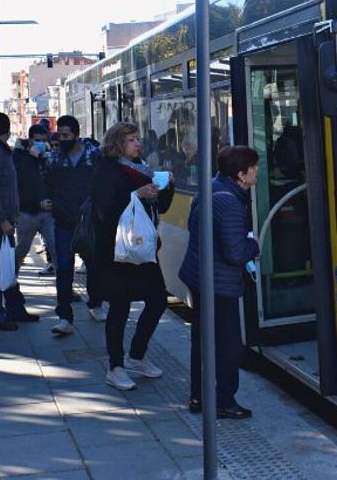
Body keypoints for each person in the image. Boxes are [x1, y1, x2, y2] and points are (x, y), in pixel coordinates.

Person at [178, 145, 260, 419]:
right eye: (253, 167)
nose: (256, 171)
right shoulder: (231, 203)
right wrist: (254, 246)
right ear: (241, 174)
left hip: (199, 276)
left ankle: (198, 396)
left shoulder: (211, 187)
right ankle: (224, 400)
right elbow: (236, 253)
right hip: (219, 283)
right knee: (227, 344)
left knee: (202, 339)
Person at [91, 122, 174, 390]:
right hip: (118, 250)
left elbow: (160, 206)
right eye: (131, 140)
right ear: (117, 144)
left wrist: (166, 187)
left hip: (143, 248)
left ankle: (136, 355)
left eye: (138, 139)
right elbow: (104, 211)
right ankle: (115, 367)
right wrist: (135, 195)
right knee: (119, 306)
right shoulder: (106, 169)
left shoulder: (143, 169)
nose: (138, 143)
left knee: (158, 300)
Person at [0, 112, 37, 330]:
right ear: (8, 128)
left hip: (4, 221)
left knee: (7, 266)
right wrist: (2, 220)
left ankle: (15, 309)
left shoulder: (1, 151)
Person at [45, 115, 102, 335]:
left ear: (77, 134)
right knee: (64, 268)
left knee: (94, 266)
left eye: (66, 135)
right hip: (63, 221)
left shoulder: (93, 156)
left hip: (88, 222)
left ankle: (95, 303)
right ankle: (64, 317)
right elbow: (46, 183)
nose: (62, 139)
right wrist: (45, 199)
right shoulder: (54, 159)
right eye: (60, 135)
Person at [13, 124, 59, 273]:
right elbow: (19, 183)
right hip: (27, 213)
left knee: (57, 250)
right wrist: (32, 156)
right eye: (37, 140)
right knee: (21, 250)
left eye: (44, 141)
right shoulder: (20, 156)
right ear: (30, 140)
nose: (41, 144)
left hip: (48, 213)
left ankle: (66, 287)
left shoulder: (49, 156)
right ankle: (10, 282)